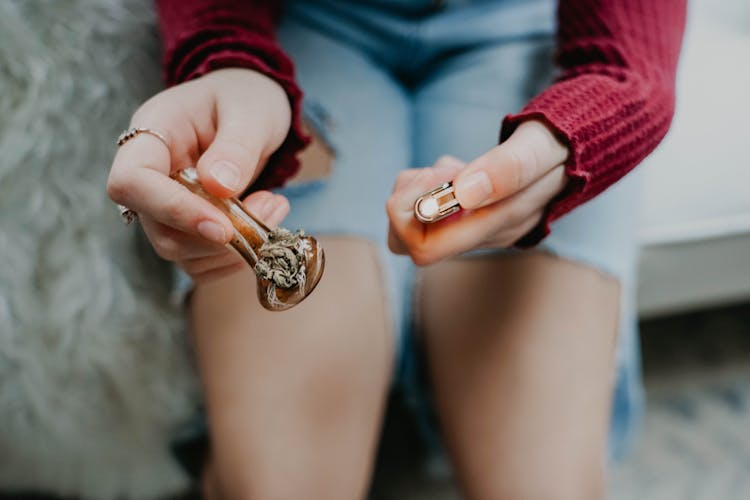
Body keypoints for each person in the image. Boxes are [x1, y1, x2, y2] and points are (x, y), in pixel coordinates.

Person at [107, 0, 686, 498]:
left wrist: (576, 139)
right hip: (302, 26)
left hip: (541, 37)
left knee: (541, 483)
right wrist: (226, 56)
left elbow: (627, 63)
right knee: (280, 483)